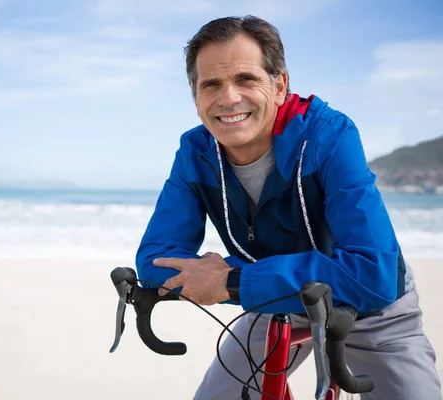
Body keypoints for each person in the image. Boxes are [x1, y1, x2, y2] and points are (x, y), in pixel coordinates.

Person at [134, 15, 441, 400]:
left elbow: (372, 273)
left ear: (279, 85)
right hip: (275, 299)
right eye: (211, 84)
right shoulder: (196, 151)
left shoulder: (329, 134)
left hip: (369, 306)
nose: (228, 98)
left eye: (245, 79)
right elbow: (155, 259)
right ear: (196, 97)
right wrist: (236, 281)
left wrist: (231, 281)